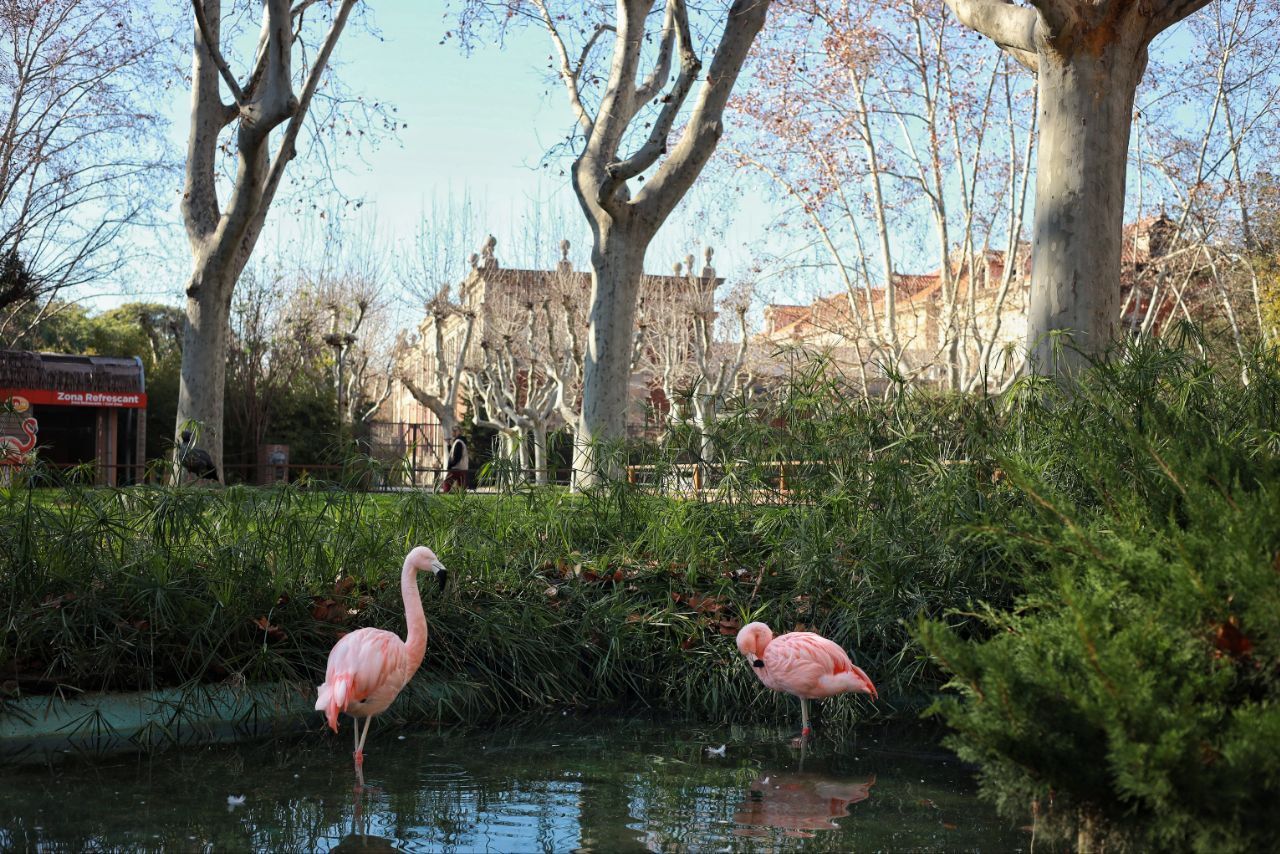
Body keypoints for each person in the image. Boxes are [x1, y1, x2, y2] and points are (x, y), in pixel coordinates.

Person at [440, 426, 468, 493]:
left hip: (456, 468)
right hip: (462, 468)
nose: (453, 432)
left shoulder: (458, 442)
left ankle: (446, 497)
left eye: (455, 430)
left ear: (460, 432)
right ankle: (463, 499)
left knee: (447, 484)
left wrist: (450, 466)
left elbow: (457, 457)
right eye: (453, 430)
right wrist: (449, 445)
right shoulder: (458, 442)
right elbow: (453, 454)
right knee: (462, 486)